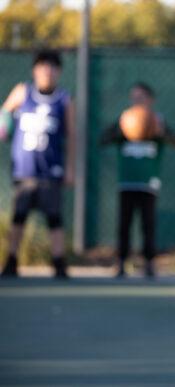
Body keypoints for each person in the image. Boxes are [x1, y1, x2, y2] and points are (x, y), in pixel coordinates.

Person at [0, 50, 75, 279]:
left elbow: (72, 136)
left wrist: (71, 168)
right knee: (19, 217)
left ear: (59, 71)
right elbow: (4, 113)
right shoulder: (23, 92)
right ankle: (12, 261)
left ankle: (58, 262)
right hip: (24, 168)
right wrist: (4, 124)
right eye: (43, 66)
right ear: (35, 70)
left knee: (54, 218)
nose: (47, 71)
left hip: (50, 170)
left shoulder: (64, 100)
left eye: (52, 67)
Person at [101, 82, 175, 278]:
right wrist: (121, 131)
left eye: (141, 97)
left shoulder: (157, 121)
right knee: (124, 224)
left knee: (148, 224)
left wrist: (161, 133)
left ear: (150, 100)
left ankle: (149, 263)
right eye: (134, 97)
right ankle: (121, 262)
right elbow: (103, 139)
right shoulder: (125, 119)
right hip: (127, 182)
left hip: (148, 183)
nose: (136, 101)